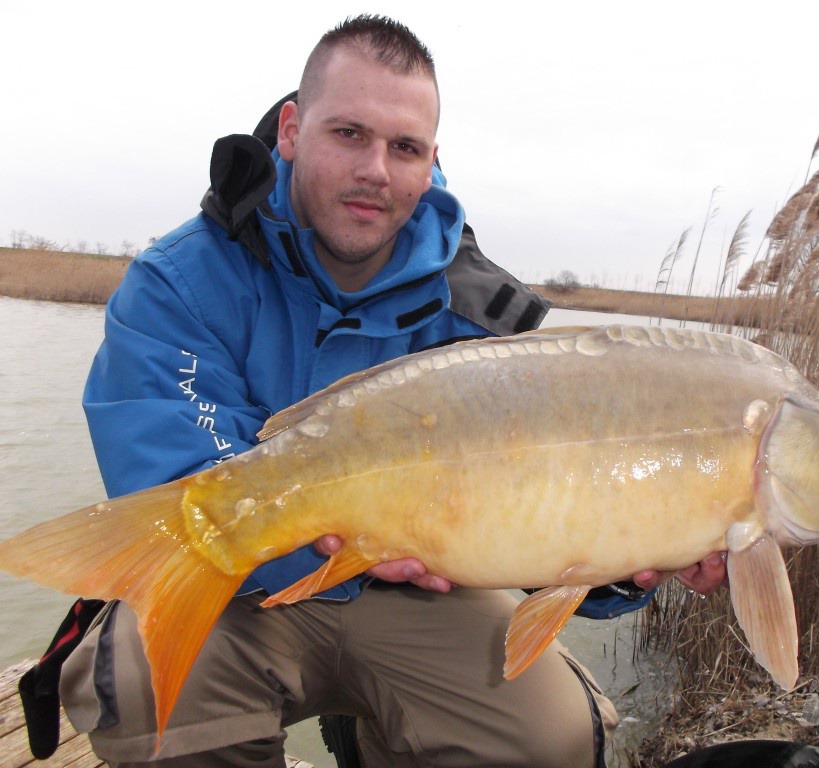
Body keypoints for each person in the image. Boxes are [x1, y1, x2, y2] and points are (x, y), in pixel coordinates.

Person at [54, 15, 726, 768]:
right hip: (245, 586)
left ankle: (376, 738)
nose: (376, 168)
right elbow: (167, 466)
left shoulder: (484, 320)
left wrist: (629, 561)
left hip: (421, 603)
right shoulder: (180, 280)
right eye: (349, 134)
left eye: (404, 147)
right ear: (290, 130)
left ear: (431, 160)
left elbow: (534, 521)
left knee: (551, 736)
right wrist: (346, 537)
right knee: (144, 686)